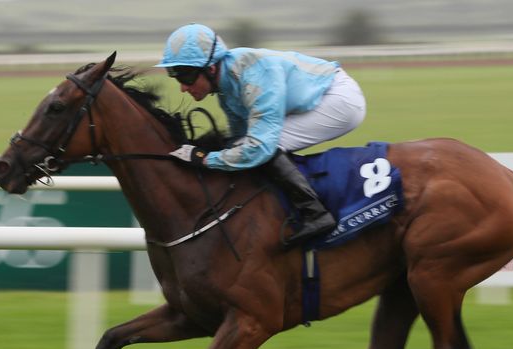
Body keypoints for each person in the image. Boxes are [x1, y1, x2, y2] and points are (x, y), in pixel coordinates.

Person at [157, 23, 366, 247]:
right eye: (175, 76)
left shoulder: (254, 75)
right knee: (244, 146)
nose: (183, 88)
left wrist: (205, 159)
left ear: (211, 68)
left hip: (339, 100)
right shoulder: (226, 86)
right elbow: (239, 139)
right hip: (318, 97)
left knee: (266, 147)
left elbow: (259, 148)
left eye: (186, 76)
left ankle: (315, 213)